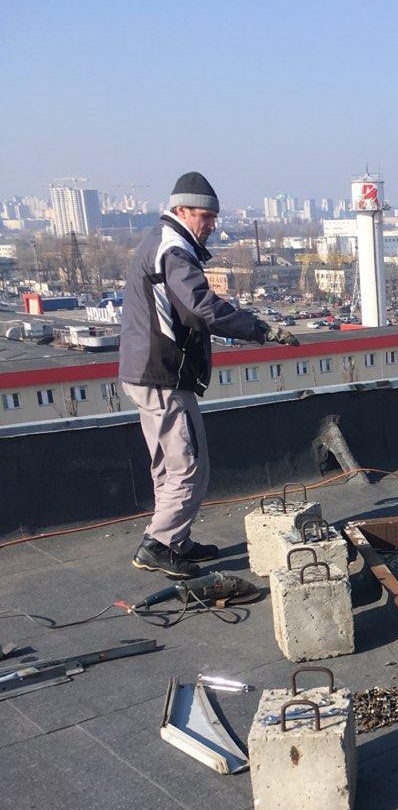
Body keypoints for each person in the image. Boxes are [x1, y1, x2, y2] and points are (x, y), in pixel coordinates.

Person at [119, 172, 271, 578]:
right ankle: (159, 544)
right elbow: (203, 308)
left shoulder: (161, 241)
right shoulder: (173, 249)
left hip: (145, 373)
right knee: (189, 465)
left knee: (168, 466)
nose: (212, 225)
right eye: (206, 217)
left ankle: (174, 539)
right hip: (163, 376)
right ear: (182, 211)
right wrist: (259, 328)